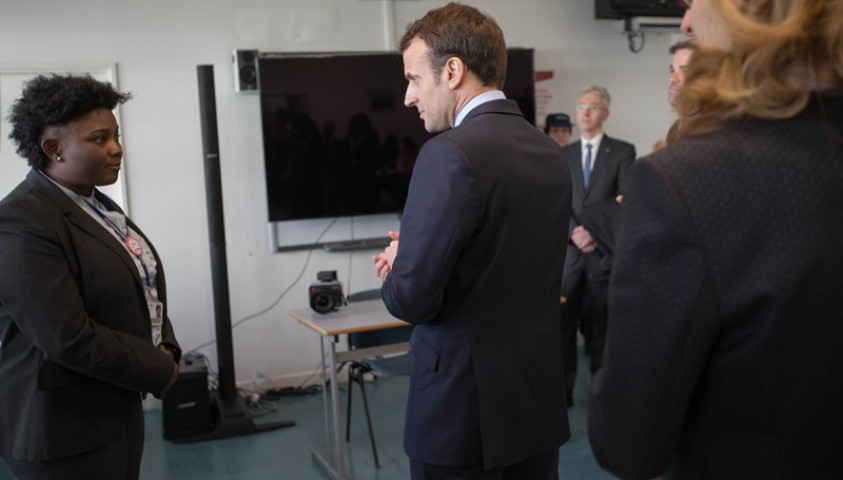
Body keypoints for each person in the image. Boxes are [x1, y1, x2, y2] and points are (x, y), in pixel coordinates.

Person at [588, 0, 843, 478]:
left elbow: (628, 443)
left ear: (753, 7)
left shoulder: (684, 184)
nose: (685, 23)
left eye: (693, 3)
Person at [372, 3, 572, 478]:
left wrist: (402, 260)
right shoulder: (550, 152)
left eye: (414, 78)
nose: (406, 96)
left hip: (461, 419)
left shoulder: (448, 155)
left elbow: (411, 299)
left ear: (453, 71)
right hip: (534, 408)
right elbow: (504, 260)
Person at [0, 74, 181, 480]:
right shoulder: (19, 222)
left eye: (116, 136)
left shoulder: (95, 204)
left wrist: (165, 344)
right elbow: (67, 337)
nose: (117, 149)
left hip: (113, 404)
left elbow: (142, 282)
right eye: (99, 139)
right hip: (62, 427)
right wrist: (158, 367)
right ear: (53, 149)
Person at [559, 86, 635, 405]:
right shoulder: (563, 154)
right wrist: (575, 231)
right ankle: (562, 395)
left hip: (604, 254)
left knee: (602, 327)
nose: (585, 112)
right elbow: (556, 201)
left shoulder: (622, 152)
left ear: (605, 112)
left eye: (593, 106)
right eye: (581, 106)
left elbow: (625, 200)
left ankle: (602, 394)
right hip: (570, 255)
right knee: (562, 328)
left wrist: (592, 231)